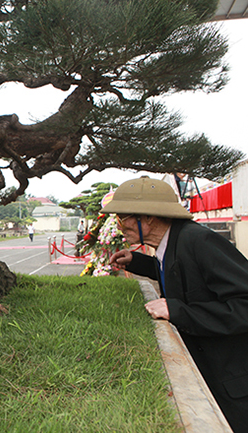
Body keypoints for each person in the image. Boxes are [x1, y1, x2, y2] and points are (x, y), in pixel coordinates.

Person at [103, 176, 248, 431]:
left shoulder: (199, 241)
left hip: (233, 382)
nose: (120, 226)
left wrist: (179, 310)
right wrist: (136, 261)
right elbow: (181, 273)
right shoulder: (172, 242)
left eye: (122, 217)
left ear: (148, 217)